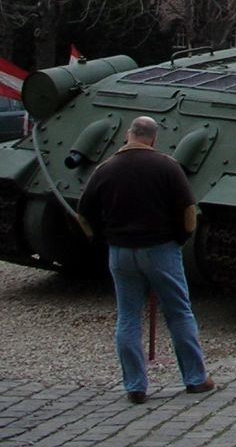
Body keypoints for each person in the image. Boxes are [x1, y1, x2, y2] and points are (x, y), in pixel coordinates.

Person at [76, 116, 214, 404]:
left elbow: (83, 213)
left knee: (127, 318)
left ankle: (135, 386)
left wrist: (100, 238)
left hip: (121, 252)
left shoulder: (105, 169)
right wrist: (182, 236)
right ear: (153, 138)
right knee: (178, 313)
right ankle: (195, 379)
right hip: (160, 249)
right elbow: (189, 210)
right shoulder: (167, 166)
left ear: (128, 135)